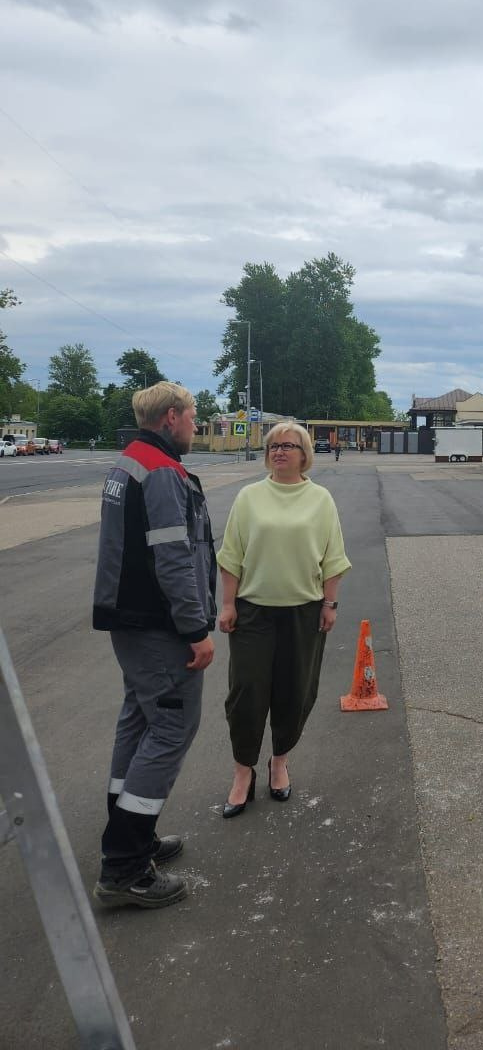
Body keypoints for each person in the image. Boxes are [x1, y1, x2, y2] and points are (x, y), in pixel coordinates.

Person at [92, 382, 216, 909]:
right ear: (170, 417)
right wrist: (196, 630)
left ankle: (133, 837)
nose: (195, 424)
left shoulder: (129, 461)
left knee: (138, 722)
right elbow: (174, 560)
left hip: (131, 622)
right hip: (162, 628)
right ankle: (123, 867)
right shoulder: (162, 471)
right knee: (170, 728)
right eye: (192, 416)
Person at [217, 420, 351, 817]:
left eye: (288, 445)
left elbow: (333, 558)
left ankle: (280, 762)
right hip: (253, 611)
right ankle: (243, 771)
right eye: (273, 446)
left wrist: (330, 605)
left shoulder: (321, 499)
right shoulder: (249, 497)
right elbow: (231, 556)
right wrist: (227, 604)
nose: (279, 451)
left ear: (304, 454)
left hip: (303, 613)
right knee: (246, 693)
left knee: (295, 692)